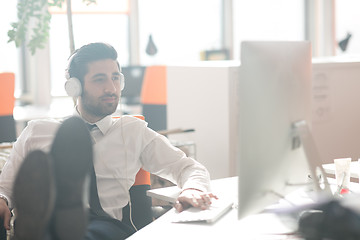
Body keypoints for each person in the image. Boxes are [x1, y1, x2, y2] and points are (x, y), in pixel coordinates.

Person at [0, 42, 216, 239]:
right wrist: (2, 200)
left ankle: (59, 221)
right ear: (74, 87)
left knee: (89, 232)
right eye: (99, 79)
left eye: (115, 78)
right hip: (53, 224)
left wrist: (193, 189)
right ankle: (56, 220)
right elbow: (6, 188)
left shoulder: (132, 130)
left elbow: (187, 167)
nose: (111, 88)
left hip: (109, 226)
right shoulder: (38, 131)